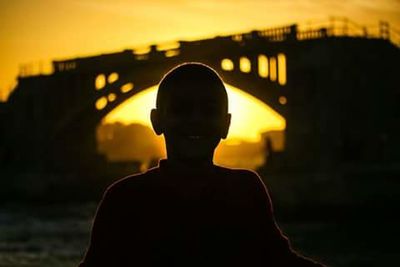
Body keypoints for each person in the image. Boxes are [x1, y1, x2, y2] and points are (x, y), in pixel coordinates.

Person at [79, 63, 324, 266]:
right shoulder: (122, 201)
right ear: (157, 121)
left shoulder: (247, 190)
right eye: (182, 109)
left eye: (209, 111)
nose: (196, 120)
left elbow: (280, 262)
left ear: (226, 124)